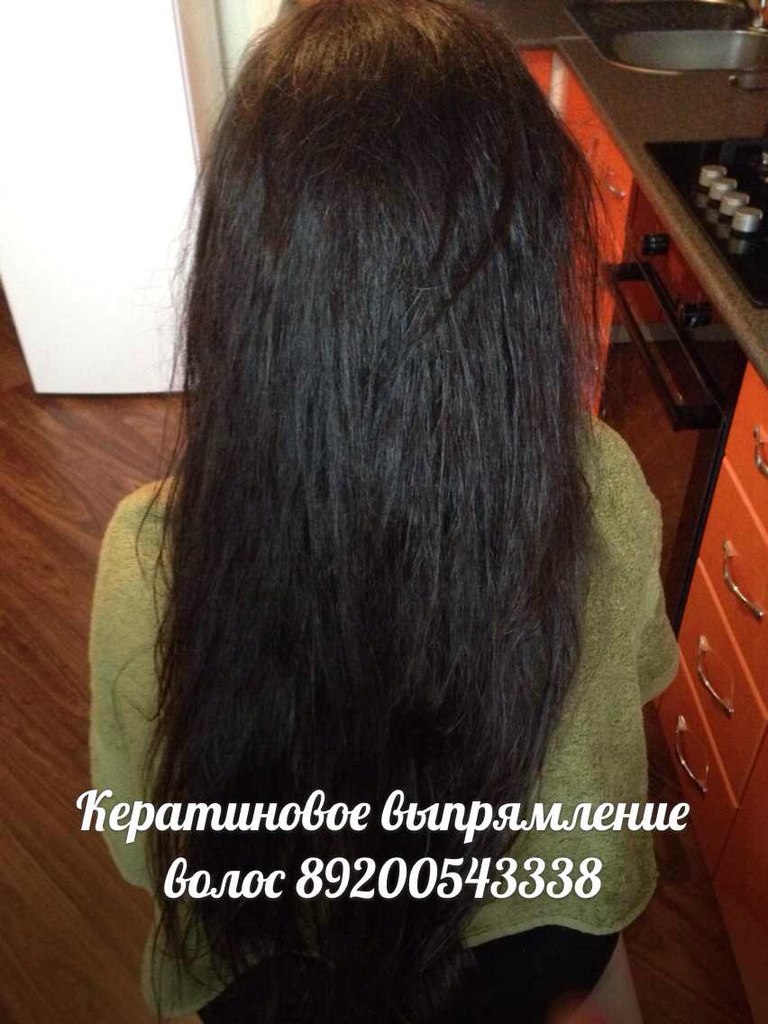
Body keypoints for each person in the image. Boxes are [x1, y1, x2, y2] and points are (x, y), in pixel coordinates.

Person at [88, 1, 680, 1021]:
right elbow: (636, 692)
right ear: (524, 273)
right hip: (546, 957)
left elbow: (143, 850)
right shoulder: (607, 484)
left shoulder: (153, 557)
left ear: (248, 279)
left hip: (281, 980)